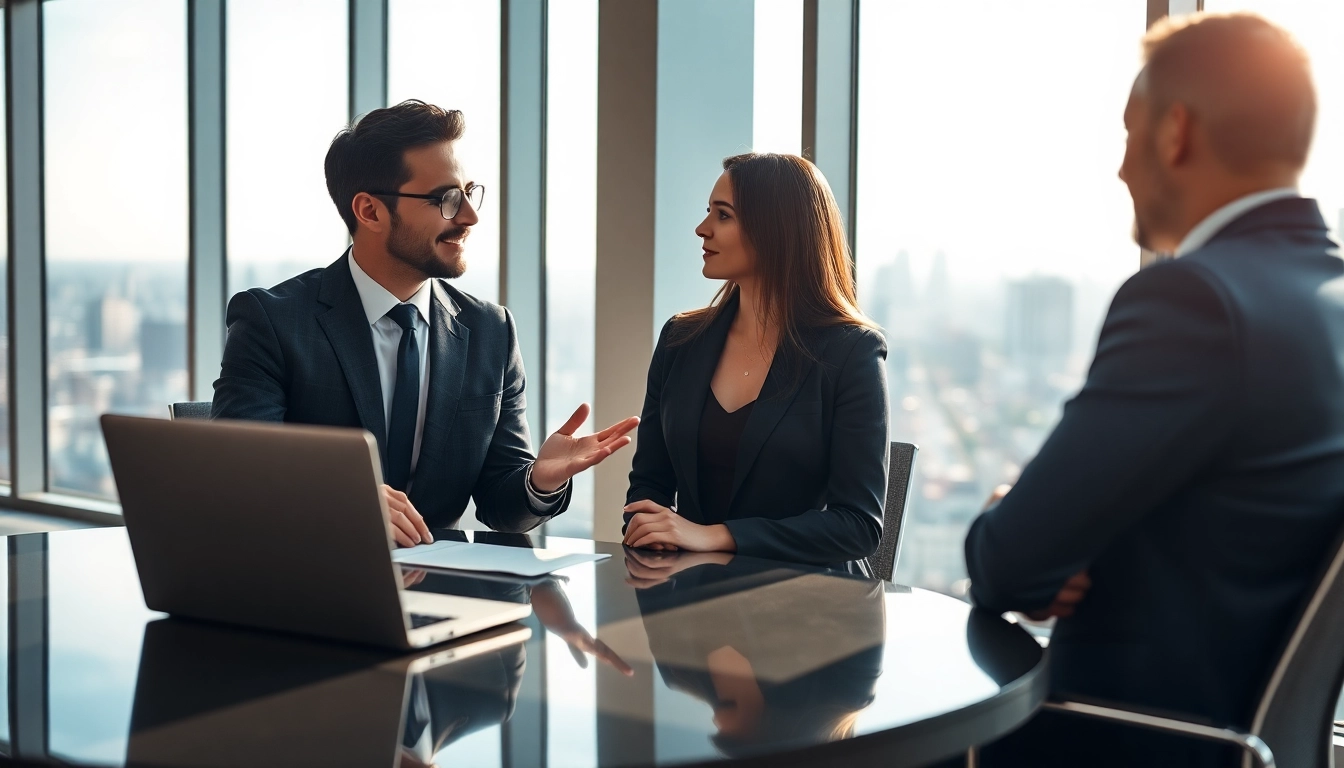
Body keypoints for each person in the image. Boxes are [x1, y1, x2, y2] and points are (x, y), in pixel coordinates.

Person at [965, 13, 1344, 767]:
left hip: (1115, 739)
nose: (1121, 168)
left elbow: (1005, 565)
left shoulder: (1195, 302)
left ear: (1175, 133)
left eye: (1128, 133)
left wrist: (1022, 530)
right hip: (1254, 744)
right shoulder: (1324, 299)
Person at [212, 100, 638, 542]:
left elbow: (501, 507)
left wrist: (539, 480)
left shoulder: (491, 331)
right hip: (309, 583)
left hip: (443, 590)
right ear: (370, 212)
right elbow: (243, 471)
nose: (471, 217)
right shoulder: (274, 321)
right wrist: (346, 499)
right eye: (447, 200)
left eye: (469, 193)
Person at [622, 153, 890, 573]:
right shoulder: (680, 340)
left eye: (723, 215)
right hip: (686, 600)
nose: (702, 229)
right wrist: (648, 530)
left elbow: (858, 526)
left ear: (777, 231)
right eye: (707, 212)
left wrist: (715, 536)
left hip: (811, 607)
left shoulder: (851, 351)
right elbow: (650, 484)